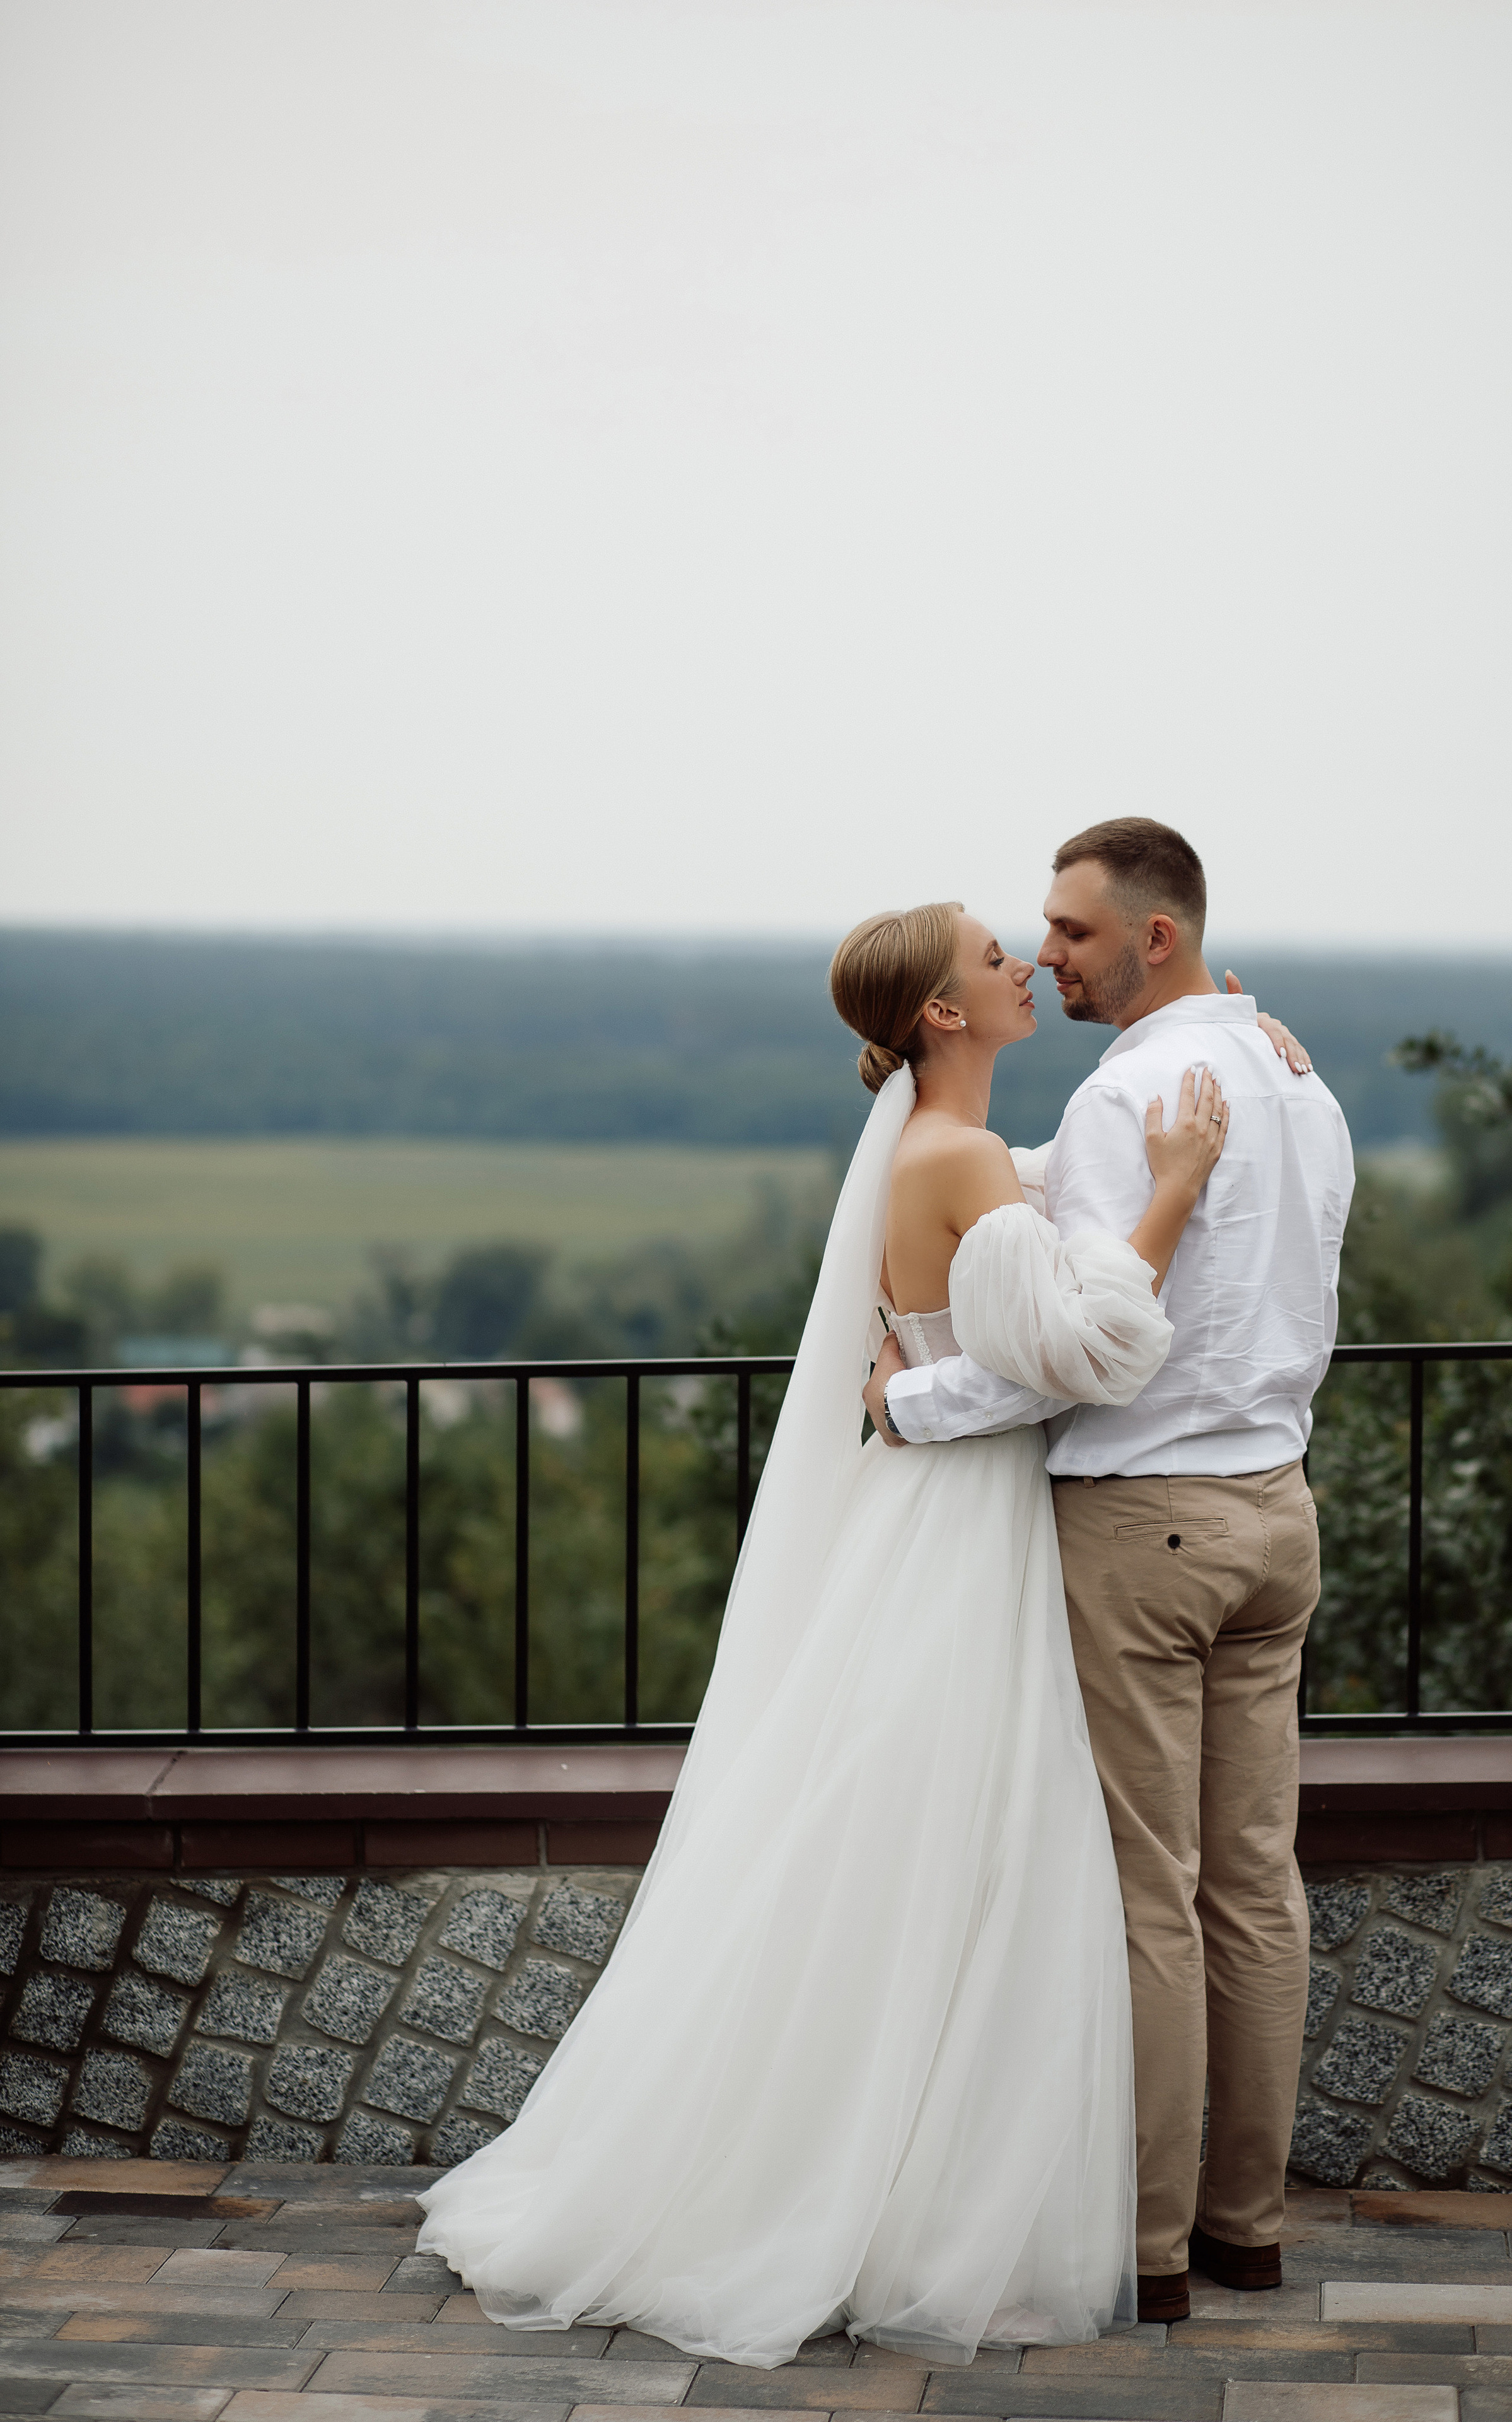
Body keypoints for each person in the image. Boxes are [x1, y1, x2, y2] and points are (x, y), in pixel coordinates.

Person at [416, 898, 1231, 2365]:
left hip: (936, 1516)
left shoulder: (951, 1151)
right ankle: (890, 2208)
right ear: (938, 1013)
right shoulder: (954, 1155)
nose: (1024, 966)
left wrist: (1229, 1032)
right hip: (957, 1539)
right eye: (996, 956)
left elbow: (1030, 1216)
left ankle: (884, 2190)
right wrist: (1173, 1186)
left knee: (915, 1850)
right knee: (946, 1853)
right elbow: (1086, 1352)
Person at [871, 820, 1354, 2325]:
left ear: (1153, 937)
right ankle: (1246, 2228)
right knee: (1254, 1887)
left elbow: (1056, 1354)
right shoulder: (1298, 1078)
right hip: (1275, 1516)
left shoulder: (1117, 1096)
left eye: (1069, 932)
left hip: (1143, 1526)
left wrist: (908, 1404)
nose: (1047, 955)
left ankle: (1147, 2252)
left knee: (1152, 1892)